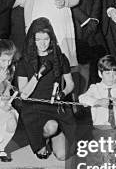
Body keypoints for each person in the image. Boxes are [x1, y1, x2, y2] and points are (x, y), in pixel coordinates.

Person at [17, 18, 75, 160]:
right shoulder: (24, 61)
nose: (42, 43)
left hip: (55, 106)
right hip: (34, 108)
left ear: (51, 38)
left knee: (63, 155)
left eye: (46, 39)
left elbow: (70, 83)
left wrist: (63, 93)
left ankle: (56, 133)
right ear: (32, 40)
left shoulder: (59, 57)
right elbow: (23, 94)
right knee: (51, 126)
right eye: (38, 39)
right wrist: (38, 75)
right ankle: (44, 138)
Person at [65, 0, 104, 108]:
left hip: (92, 23)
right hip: (74, 21)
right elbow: (66, 0)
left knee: (92, 62)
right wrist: (85, 20)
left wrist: (94, 19)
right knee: (76, 63)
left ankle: (88, 100)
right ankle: (75, 101)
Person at [79, 55, 116, 127]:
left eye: (114, 74)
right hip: (101, 127)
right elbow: (82, 98)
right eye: (107, 73)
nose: (111, 77)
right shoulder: (95, 88)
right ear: (100, 74)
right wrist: (97, 101)